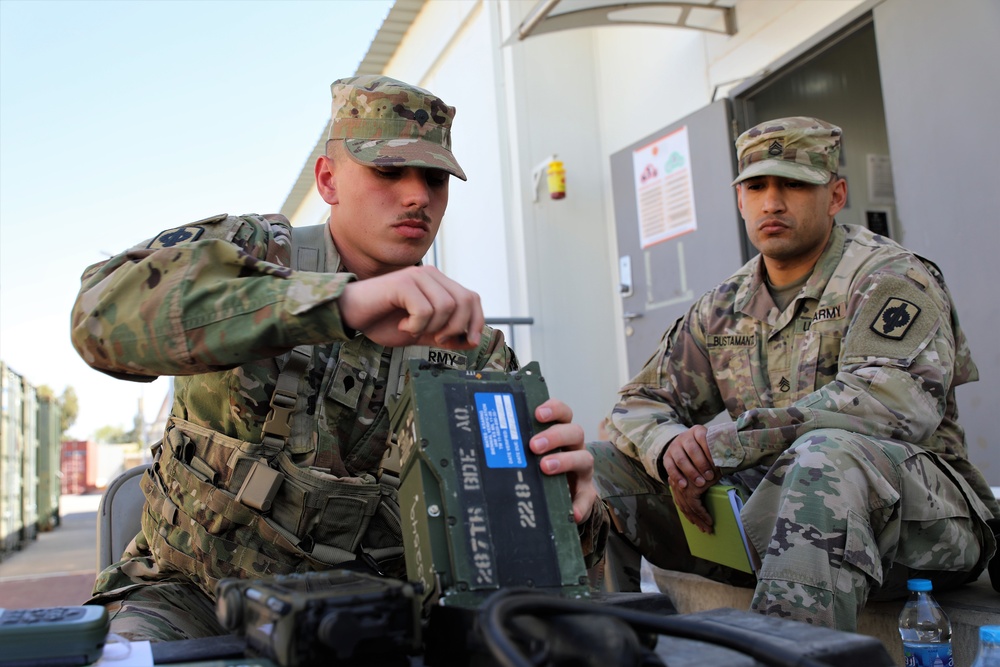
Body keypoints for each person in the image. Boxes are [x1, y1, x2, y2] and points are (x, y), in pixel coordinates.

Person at [71, 75, 607, 641]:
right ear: (328, 180)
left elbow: (518, 565)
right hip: (193, 601)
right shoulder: (254, 254)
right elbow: (100, 318)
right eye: (387, 171)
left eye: (435, 179)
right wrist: (338, 302)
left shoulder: (471, 350)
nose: (418, 196)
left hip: (375, 622)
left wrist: (569, 509)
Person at [589, 117, 998, 631]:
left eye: (794, 184)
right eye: (756, 186)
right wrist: (672, 448)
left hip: (919, 525)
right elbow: (637, 404)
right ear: (740, 201)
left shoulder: (889, 277)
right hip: (769, 523)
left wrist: (727, 444)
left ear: (835, 195)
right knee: (594, 467)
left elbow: (890, 404)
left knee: (824, 458)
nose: (772, 203)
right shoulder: (722, 306)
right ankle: (595, 642)